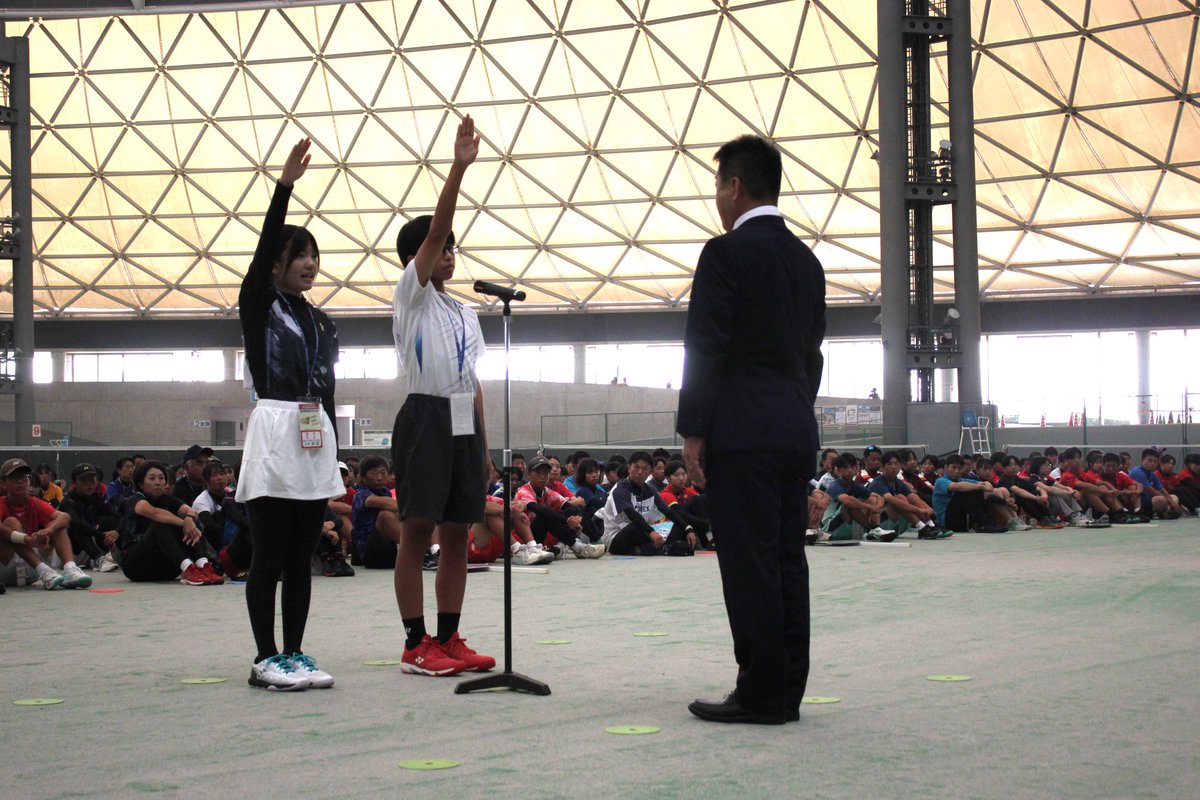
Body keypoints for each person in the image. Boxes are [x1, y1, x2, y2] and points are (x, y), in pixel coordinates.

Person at [677, 134, 825, 725]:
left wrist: (694, 429)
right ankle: (786, 689)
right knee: (787, 558)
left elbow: (705, 346)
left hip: (741, 432)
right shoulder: (806, 261)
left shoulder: (724, 254)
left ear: (734, 186)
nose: (717, 198)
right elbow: (813, 355)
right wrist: (794, 407)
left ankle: (759, 691)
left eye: (718, 186)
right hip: (793, 427)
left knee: (749, 563)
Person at [389, 115, 496, 678]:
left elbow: (473, 380)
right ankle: (415, 642)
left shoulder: (465, 312)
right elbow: (433, 233)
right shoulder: (412, 296)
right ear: (418, 259)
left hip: (461, 422)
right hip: (425, 416)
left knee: (458, 532)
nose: (449, 252)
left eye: (455, 247)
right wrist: (458, 167)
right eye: (441, 247)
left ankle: (449, 636)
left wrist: (483, 445)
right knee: (418, 530)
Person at [237, 136, 342, 692]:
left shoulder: (322, 321)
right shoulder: (260, 303)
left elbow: (328, 386)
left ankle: (295, 652)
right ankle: (264, 658)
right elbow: (260, 256)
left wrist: (335, 451)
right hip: (275, 429)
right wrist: (284, 187)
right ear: (276, 264)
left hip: (313, 431)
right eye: (299, 255)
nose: (310, 264)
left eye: (314, 255)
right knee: (270, 554)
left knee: (302, 555)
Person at [118, 460, 222, 586]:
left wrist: (189, 519)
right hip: (136, 566)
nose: (158, 482)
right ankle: (188, 568)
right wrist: (185, 523)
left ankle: (203, 565)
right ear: (141, 484)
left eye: (161, 478)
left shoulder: (167, 499)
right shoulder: (135, 500)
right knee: (161, 523)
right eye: (152, 478)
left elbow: (192, 512)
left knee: (192, 522)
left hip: (167, 568)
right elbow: (156, 513)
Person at [0, 458, 86, 589]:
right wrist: (26, 539)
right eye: (14, 478)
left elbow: (65, 516)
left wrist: (48, 530)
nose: (20, 481)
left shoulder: (35, 502)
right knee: (11, 522)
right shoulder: (1, 503)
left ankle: (70, 569)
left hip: (32, 568)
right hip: (6, 566)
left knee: (58, 525)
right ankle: (44, 570)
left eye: (23, 477)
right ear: (3, 483)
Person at [596, 451, 694, 556]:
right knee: (635, 527)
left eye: (645, 468)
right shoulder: (620, 489)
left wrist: (688, 528)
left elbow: (668, 511)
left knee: (678, 528)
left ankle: (645, 549)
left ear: (650, 471)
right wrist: (651, 532)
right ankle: (657, 548)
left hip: (643, 532)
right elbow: (631, 514)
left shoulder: (650, 490)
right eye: (636, 467)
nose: (640, 472)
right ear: (629, 468)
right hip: (617, 537)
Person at [515, 456, 604, 558]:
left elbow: (572, 507)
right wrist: (567, 520)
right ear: (529, 474)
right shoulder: (524, 492)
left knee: (571, 512)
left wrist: (577, 517)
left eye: (546, 473)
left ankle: (596, 540)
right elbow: (540, 510)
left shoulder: (549, 492)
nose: (543, 476)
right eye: (539, 473)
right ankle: (578, 547)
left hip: (544, 534)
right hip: (524, 538)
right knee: (546, 515)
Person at [58, 462, 122, 572]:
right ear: (74, 483)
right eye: (84, 480)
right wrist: (102, 536)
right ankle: (97, 559)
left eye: (92, 479)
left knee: (112, 520)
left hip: (90, 546)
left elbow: (119, 517)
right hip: (70, 553)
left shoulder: (97, 498)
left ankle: (116, 554)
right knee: (77, 526)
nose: (89, 484)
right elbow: (77, 522)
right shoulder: (68, 502)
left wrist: (116, 532)